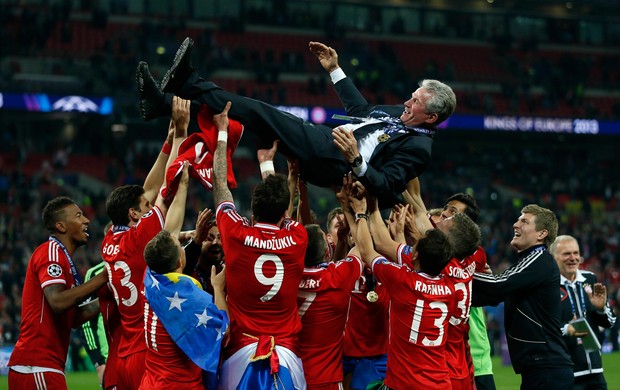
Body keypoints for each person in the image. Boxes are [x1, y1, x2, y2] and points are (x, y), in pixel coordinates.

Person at [136, 37, 457, 209]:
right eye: (411, 96)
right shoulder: (397, 114)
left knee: (262, 113)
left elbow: (387, 186)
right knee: (245, 122)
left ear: (431, 117)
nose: (406, 102)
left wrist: (356, 160)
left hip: (336, 161)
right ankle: (163, 104)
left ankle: (189, 83)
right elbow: (360, 108)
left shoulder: (419, 148)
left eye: (415, 102)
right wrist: (334, 69)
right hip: (325, 140)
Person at [212, 101, 308, 389]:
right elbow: (285, 211)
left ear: (252, 213)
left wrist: (221, 135)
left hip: (241, 354)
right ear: (282, 215)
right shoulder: (297, 238)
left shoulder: (235, 233)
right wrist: (268, 164)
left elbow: (220, 184)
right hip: (287, 355)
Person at [101, 96, 190, 389]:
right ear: (133, 213)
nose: (147, 204)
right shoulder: (140, 238)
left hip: (124, 352)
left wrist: (166, 145)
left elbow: (148, 191)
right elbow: (165, 189)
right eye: (143, 206)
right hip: (146, 352)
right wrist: (180, 134)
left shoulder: (109, 242)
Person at [342, 179, 457, 389]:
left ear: (414, 256)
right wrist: (401, 235)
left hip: (406, 383)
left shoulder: (402, 279)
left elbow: (369, 251)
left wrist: (362, 211)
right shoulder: (450, 286)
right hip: (440, 382)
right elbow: (400, 252)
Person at [8, 196, 109, 390]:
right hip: (37, 365)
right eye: (79, 215)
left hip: (42, 366)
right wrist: (105, 276)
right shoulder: (51, 252)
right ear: (61, 226)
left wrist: (108, 298)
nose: (86, 220)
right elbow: (57, 301)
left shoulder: (65, 262)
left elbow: (73, 318)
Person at [472, 204, 574, 390]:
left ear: (541, 234)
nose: (515, 225)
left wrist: (458, 271)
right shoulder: (528, 263)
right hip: (540, 368)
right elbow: (494, 294)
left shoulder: (539, 258)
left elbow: (498, 286)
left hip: (547, 367)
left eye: (524, 221)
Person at [140, 221, 229, 389]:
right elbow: (223, 330)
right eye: (181, 246)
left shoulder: (149, 278)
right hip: (179, 384)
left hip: (151, 382)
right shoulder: (190, 299)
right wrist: (218, 288)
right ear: (180, 261)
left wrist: (191, 236)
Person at [297, 224, 364, 389]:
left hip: (291, 372)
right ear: (327, 253)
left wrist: (340, 241)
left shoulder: (287, 278)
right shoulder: (337, 278)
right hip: (326, 378)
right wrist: (357, 214)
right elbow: (360, 248)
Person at [550, 235, 616, 390]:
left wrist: (601, 309)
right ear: (553, 258)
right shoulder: (548, 286)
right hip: (566, 373)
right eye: (566, 254)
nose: (573, 258)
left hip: (596, 372)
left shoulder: (590, 279)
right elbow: (542, 329)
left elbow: (610, 322)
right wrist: (566, 329)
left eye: (576, 253)